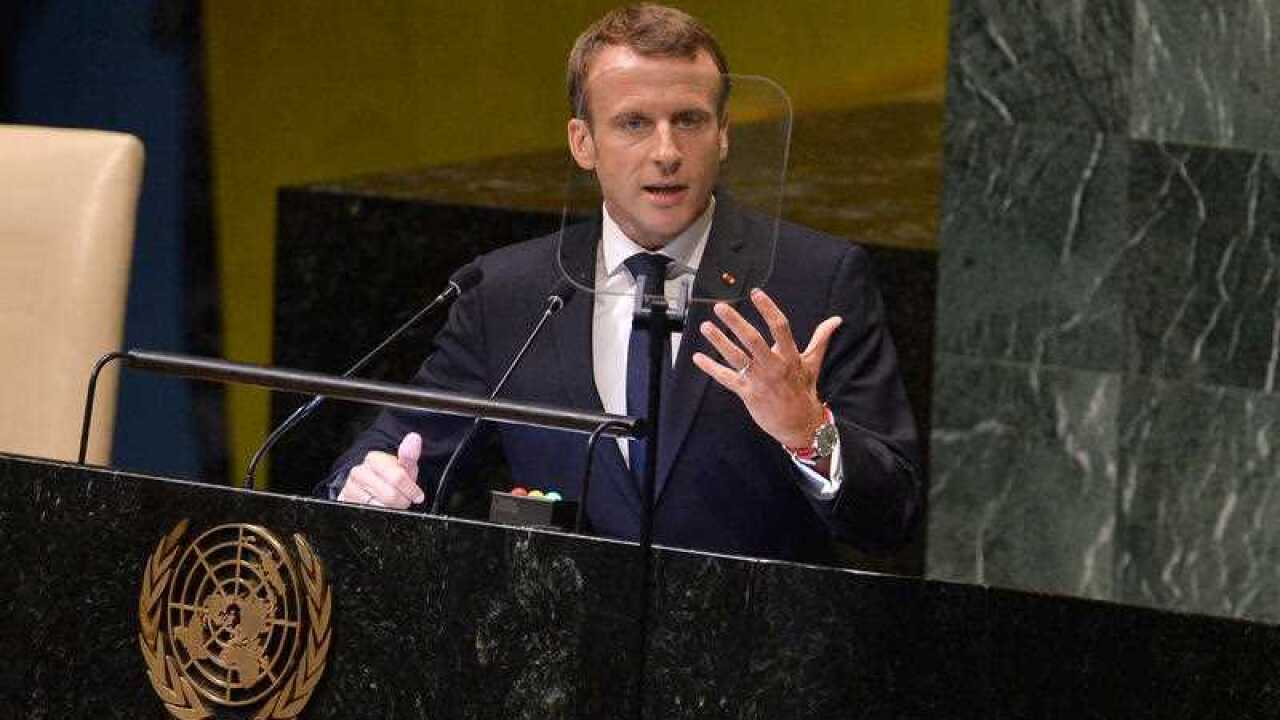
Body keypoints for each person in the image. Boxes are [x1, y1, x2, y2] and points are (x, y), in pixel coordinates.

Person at [319, 4, 921, 563]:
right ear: (583, 142)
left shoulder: (814, 280)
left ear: (724, 134)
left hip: (756, 660)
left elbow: (891, 517)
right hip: (563, 658)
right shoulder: (509, 292)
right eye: (634, 123)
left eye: (689, 120)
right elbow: (391, 455)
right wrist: (368, 484)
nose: (666, 152)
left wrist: (808, 433)